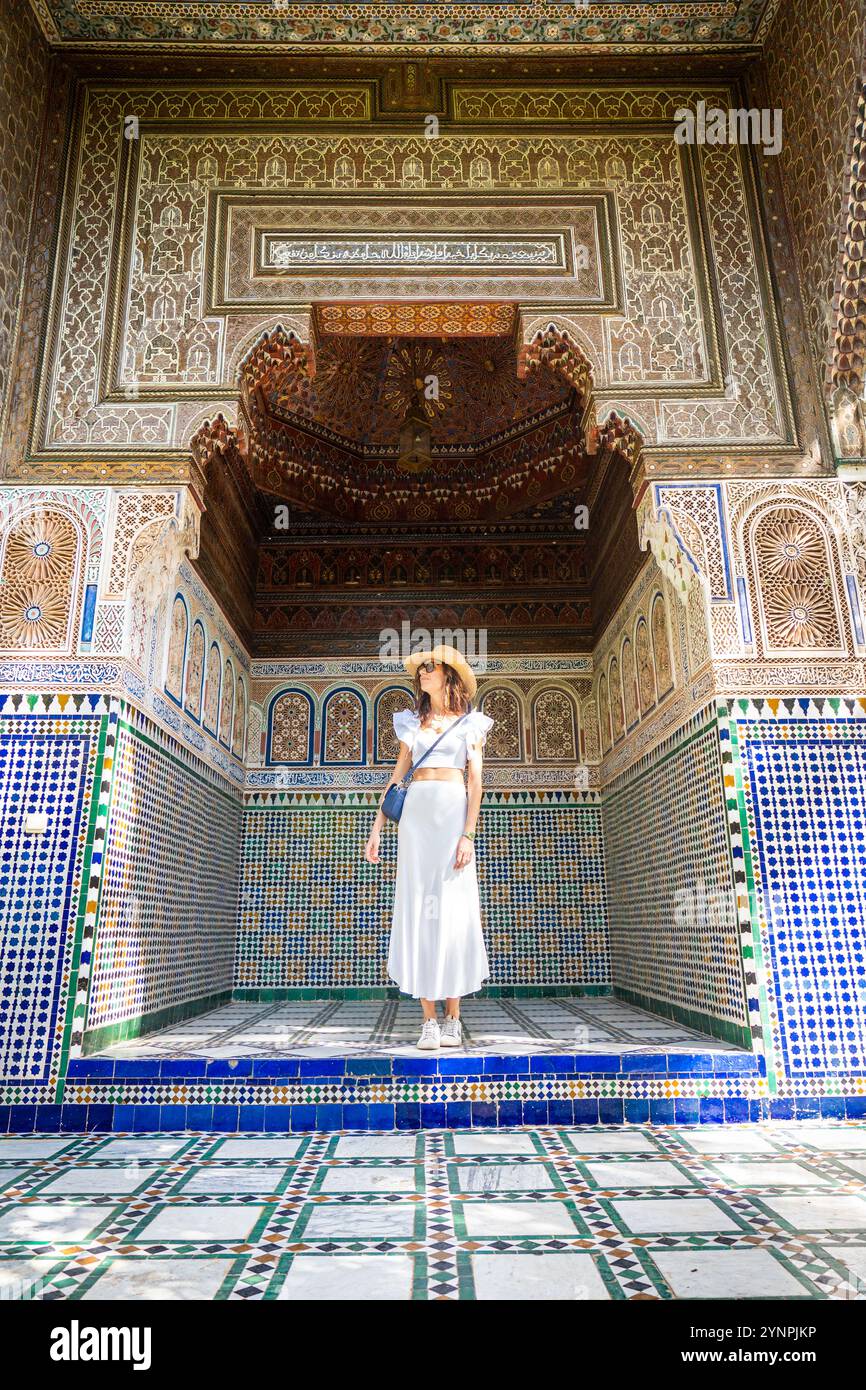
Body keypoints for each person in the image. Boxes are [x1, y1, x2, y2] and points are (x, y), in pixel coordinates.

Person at [364, 644, 493, 1050]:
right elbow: (397, 776)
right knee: (420, 909)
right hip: (417, 824)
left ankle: (454, 1017)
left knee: (451, 911)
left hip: (452, 818)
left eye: (430, 667)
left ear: (448, 676)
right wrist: (378, 826)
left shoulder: (471, 725)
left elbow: (475, 783)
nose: (423, 672)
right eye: (420, 668)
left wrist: (467, 834)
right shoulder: (412, 723)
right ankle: (429, 1020)